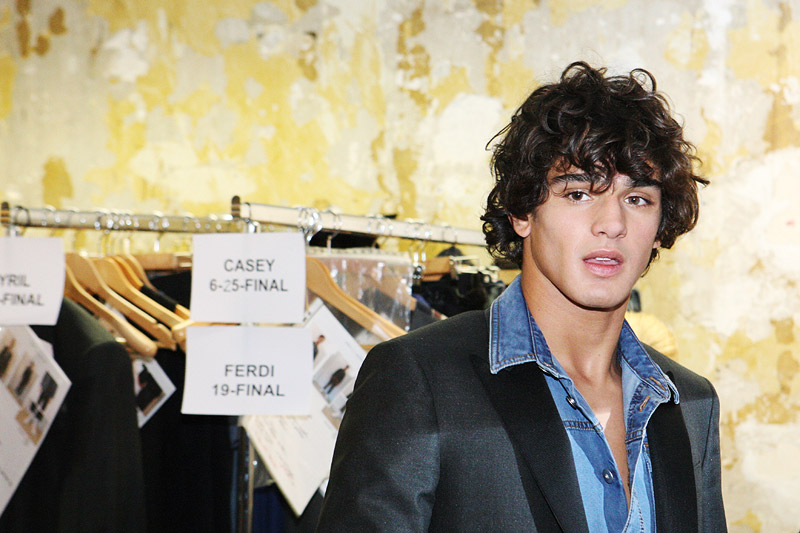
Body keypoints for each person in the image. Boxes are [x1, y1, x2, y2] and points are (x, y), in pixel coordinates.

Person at [316, 62, 726, 532]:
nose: (613, 224)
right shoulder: (419, 381)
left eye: (638, 199)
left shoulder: (691, 402)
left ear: (659, 227)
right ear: (521, 211)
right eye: (578, 193)